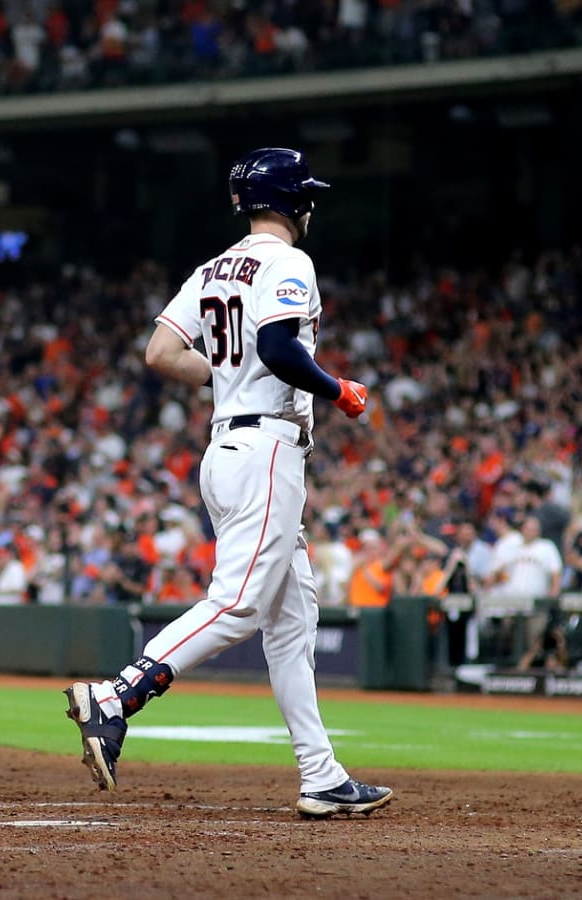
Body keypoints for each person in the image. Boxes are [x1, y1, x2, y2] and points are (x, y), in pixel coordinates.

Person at [62, 148, 392, 819]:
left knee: (292, 621)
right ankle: (116, 697)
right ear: (292, 200)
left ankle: (321, 776)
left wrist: (225, 378)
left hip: (229, 445)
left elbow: (159, 352)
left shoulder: (213, 268)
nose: (312, 203)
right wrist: (337, 390)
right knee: (239, 603)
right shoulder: (289, 261)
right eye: (306, 193)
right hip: (266, 446)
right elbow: (275, 347)